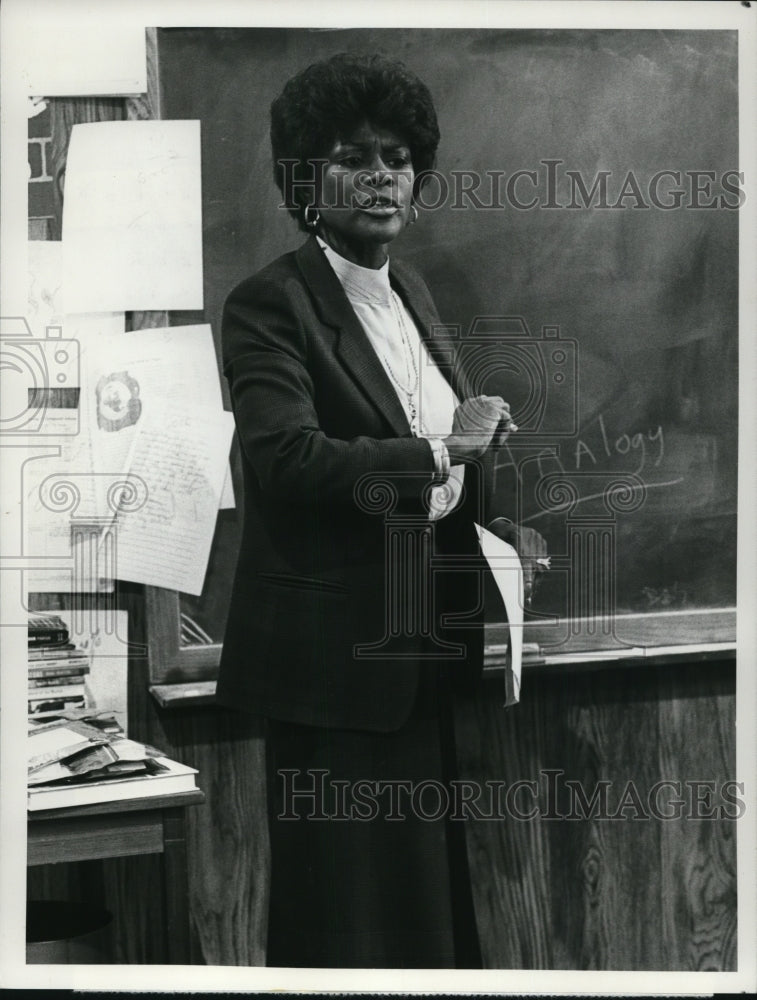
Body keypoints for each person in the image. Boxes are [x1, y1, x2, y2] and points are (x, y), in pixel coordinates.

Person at [217, 52, 547, 969]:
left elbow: (422, 455)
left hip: (422, 657)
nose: (381, 176)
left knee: (426, 918)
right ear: (302, 178)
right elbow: (286, 461)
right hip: (332, 676)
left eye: (397, 157)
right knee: (346, 924)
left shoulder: (408, 291)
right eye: (352, 156)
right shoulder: (269, 305)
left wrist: (495, 529)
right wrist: (445, 449)